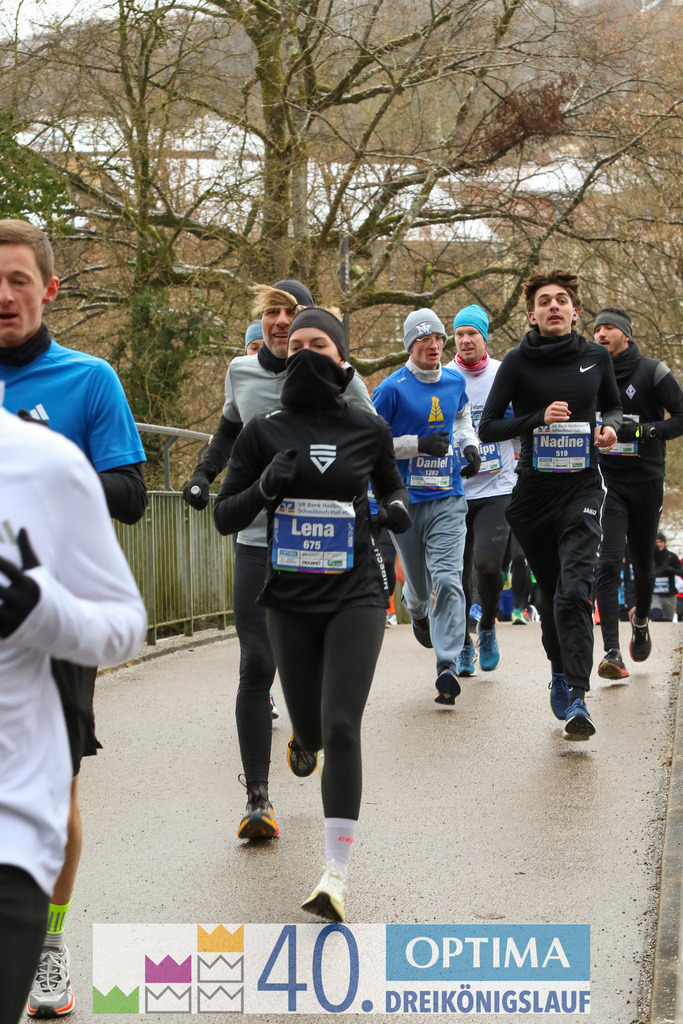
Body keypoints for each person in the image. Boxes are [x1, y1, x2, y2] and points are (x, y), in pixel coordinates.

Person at [213, 307, 410, 922]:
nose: (302, 356)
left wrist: (395, 511)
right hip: (289, 599)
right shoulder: (263, 431)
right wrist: (264, 490)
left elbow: (391, 487)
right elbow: (225, 515)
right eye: (293, 346)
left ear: (342, 358)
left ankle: (334, 874)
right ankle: (305, 738)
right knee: (313, 728)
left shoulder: (367, 427)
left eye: (317, 345)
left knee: (344, 724)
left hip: (355, 588)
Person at [0, 219, 147, 1018]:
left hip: (48, 617)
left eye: (20, 280)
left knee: (55, 795)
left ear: (49, 290)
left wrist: (47, 468)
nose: (3, 296)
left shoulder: (87, 380)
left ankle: (47, 944)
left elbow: (128, 491)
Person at [182, 282, 376, 841]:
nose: (282, 322)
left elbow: (371, 441)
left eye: (292, 314)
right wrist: (201, 474)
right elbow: (226, 430)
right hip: (256, 538)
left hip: (326, 548)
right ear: (262, 322)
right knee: (254, 663)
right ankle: (258, 798)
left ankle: (307, 730)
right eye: (273, 313)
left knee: (309, 680)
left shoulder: (344, 377)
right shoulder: (241, 373)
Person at [479, 269, 622, 738]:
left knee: (573, 592)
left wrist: (610, 428)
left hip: (582, 489)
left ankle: (579, 699)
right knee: (550, 591)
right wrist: (537, 418)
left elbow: (614, 407)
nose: (555, 306)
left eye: (562, 299)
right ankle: (559, 669)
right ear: (532, 314)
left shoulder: (596, 357)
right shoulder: (518, 363)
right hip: (534, 496)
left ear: (575, 311)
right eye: (546, 301)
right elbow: (489, 428)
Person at [372, 308, 480, 705]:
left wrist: (467, 444)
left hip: (448, 496)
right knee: (420, 587)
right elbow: (372, 444)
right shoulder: (391, 389)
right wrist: (417, 445)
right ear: (409, 345)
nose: (433, 346)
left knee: (449, 579)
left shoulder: (454, 380)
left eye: (438, 339)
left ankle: (447, 663)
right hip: (405, 500)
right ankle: (415, 608)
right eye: (423, 340)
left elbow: (462, 417)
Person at [593, 308, 683, 676]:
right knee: (609, 560)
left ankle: (641, 621)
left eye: (608, 328)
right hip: (607, 481)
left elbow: (680, 417)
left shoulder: (652, 371)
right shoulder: (589, 373)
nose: (600, 333)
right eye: (596, 328)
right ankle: (612, 652)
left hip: (646, 480)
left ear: (626, 336)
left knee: (643, 565)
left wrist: (644, 432)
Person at [445, 304, 517, 675]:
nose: (465, 340)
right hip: (455, 489)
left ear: (484, 337)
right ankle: (462, 644)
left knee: (488, 567)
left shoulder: (504, 372)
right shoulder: (444, 376)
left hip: (498, 485)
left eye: (472, 333)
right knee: (456, 574)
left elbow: (526, 419)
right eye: (459, 334)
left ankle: (487, 625)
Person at [651, 532, 683, 622]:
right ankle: (655, 635)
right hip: (655, 594)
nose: (658, 544)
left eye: (660, 542)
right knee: (656, 616)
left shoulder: (672, 556)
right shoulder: (650, 557)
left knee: (667, 621)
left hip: (670, 595)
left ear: (664, 542)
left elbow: (681, 572)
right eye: (656, 542)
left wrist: (669, 568)